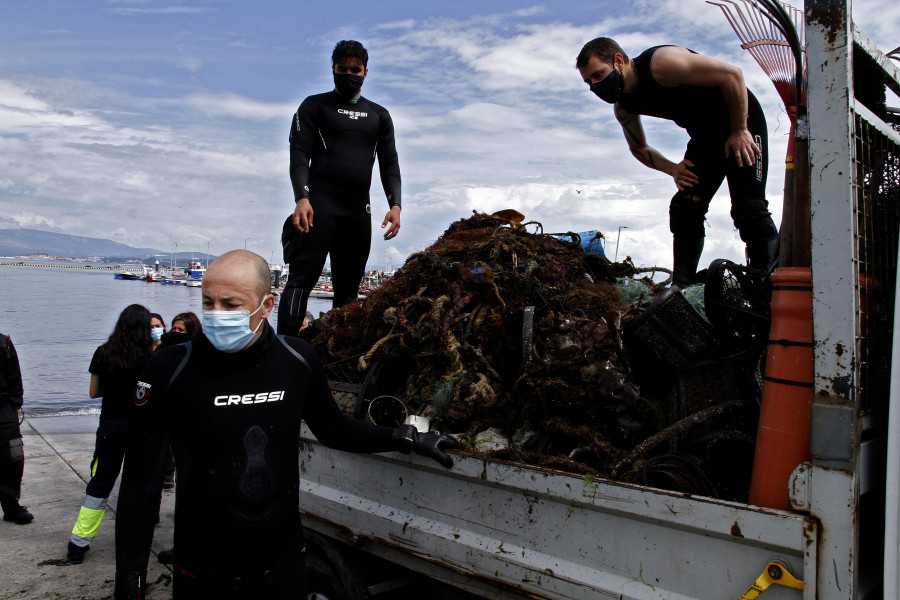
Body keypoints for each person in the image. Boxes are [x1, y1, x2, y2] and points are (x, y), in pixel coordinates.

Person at [114, 250, 458, 599]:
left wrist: (405, 437)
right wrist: (130, 575)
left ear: (266, 305)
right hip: (203, 575)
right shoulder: (170, 368)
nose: (216, 315)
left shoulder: (296, 359)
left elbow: (335, 429)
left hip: (284, 571)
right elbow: (141, 481)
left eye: (231, 304)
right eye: (208, 302)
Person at [575, 38, 779, 287]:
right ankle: (682, 288)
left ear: (618, 60)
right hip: (706, 137)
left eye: (599, 74)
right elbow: (638, 147)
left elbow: (732, 75)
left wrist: (739, 129)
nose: (596, 85)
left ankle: (766, 283)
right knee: (684, 208)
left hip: (743, 120)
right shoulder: (624, 107)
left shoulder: (662, 64)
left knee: (750, 209)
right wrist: (673, 168)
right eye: (589, 82)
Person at [278, 39, 402, 335]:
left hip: (357, 211)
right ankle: (284, 347)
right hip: (316, 208)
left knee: (348, 293)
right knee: (300, 280)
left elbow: (389, 163)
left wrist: (395, 205)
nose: (349, 74)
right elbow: (299, 155)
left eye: (355, 69)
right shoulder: (314, 106)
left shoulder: (379, 116)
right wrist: (302, 198)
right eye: (342, 68)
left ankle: (333, 358)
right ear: (332, 69)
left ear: (365, 72)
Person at [67, 304, 154, 564]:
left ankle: (78, 545)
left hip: (111, 426)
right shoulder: (151, 358)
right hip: (141, 427)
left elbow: (94, 392)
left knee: (100, 483)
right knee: (138, 485)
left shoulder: (103, 353)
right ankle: (134, 542)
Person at [0, 332, 32, 525]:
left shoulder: (4, 342)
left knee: (13, 458)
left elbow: (15, 375)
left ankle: (11, 507)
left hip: (4, 409)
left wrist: (15, 404)